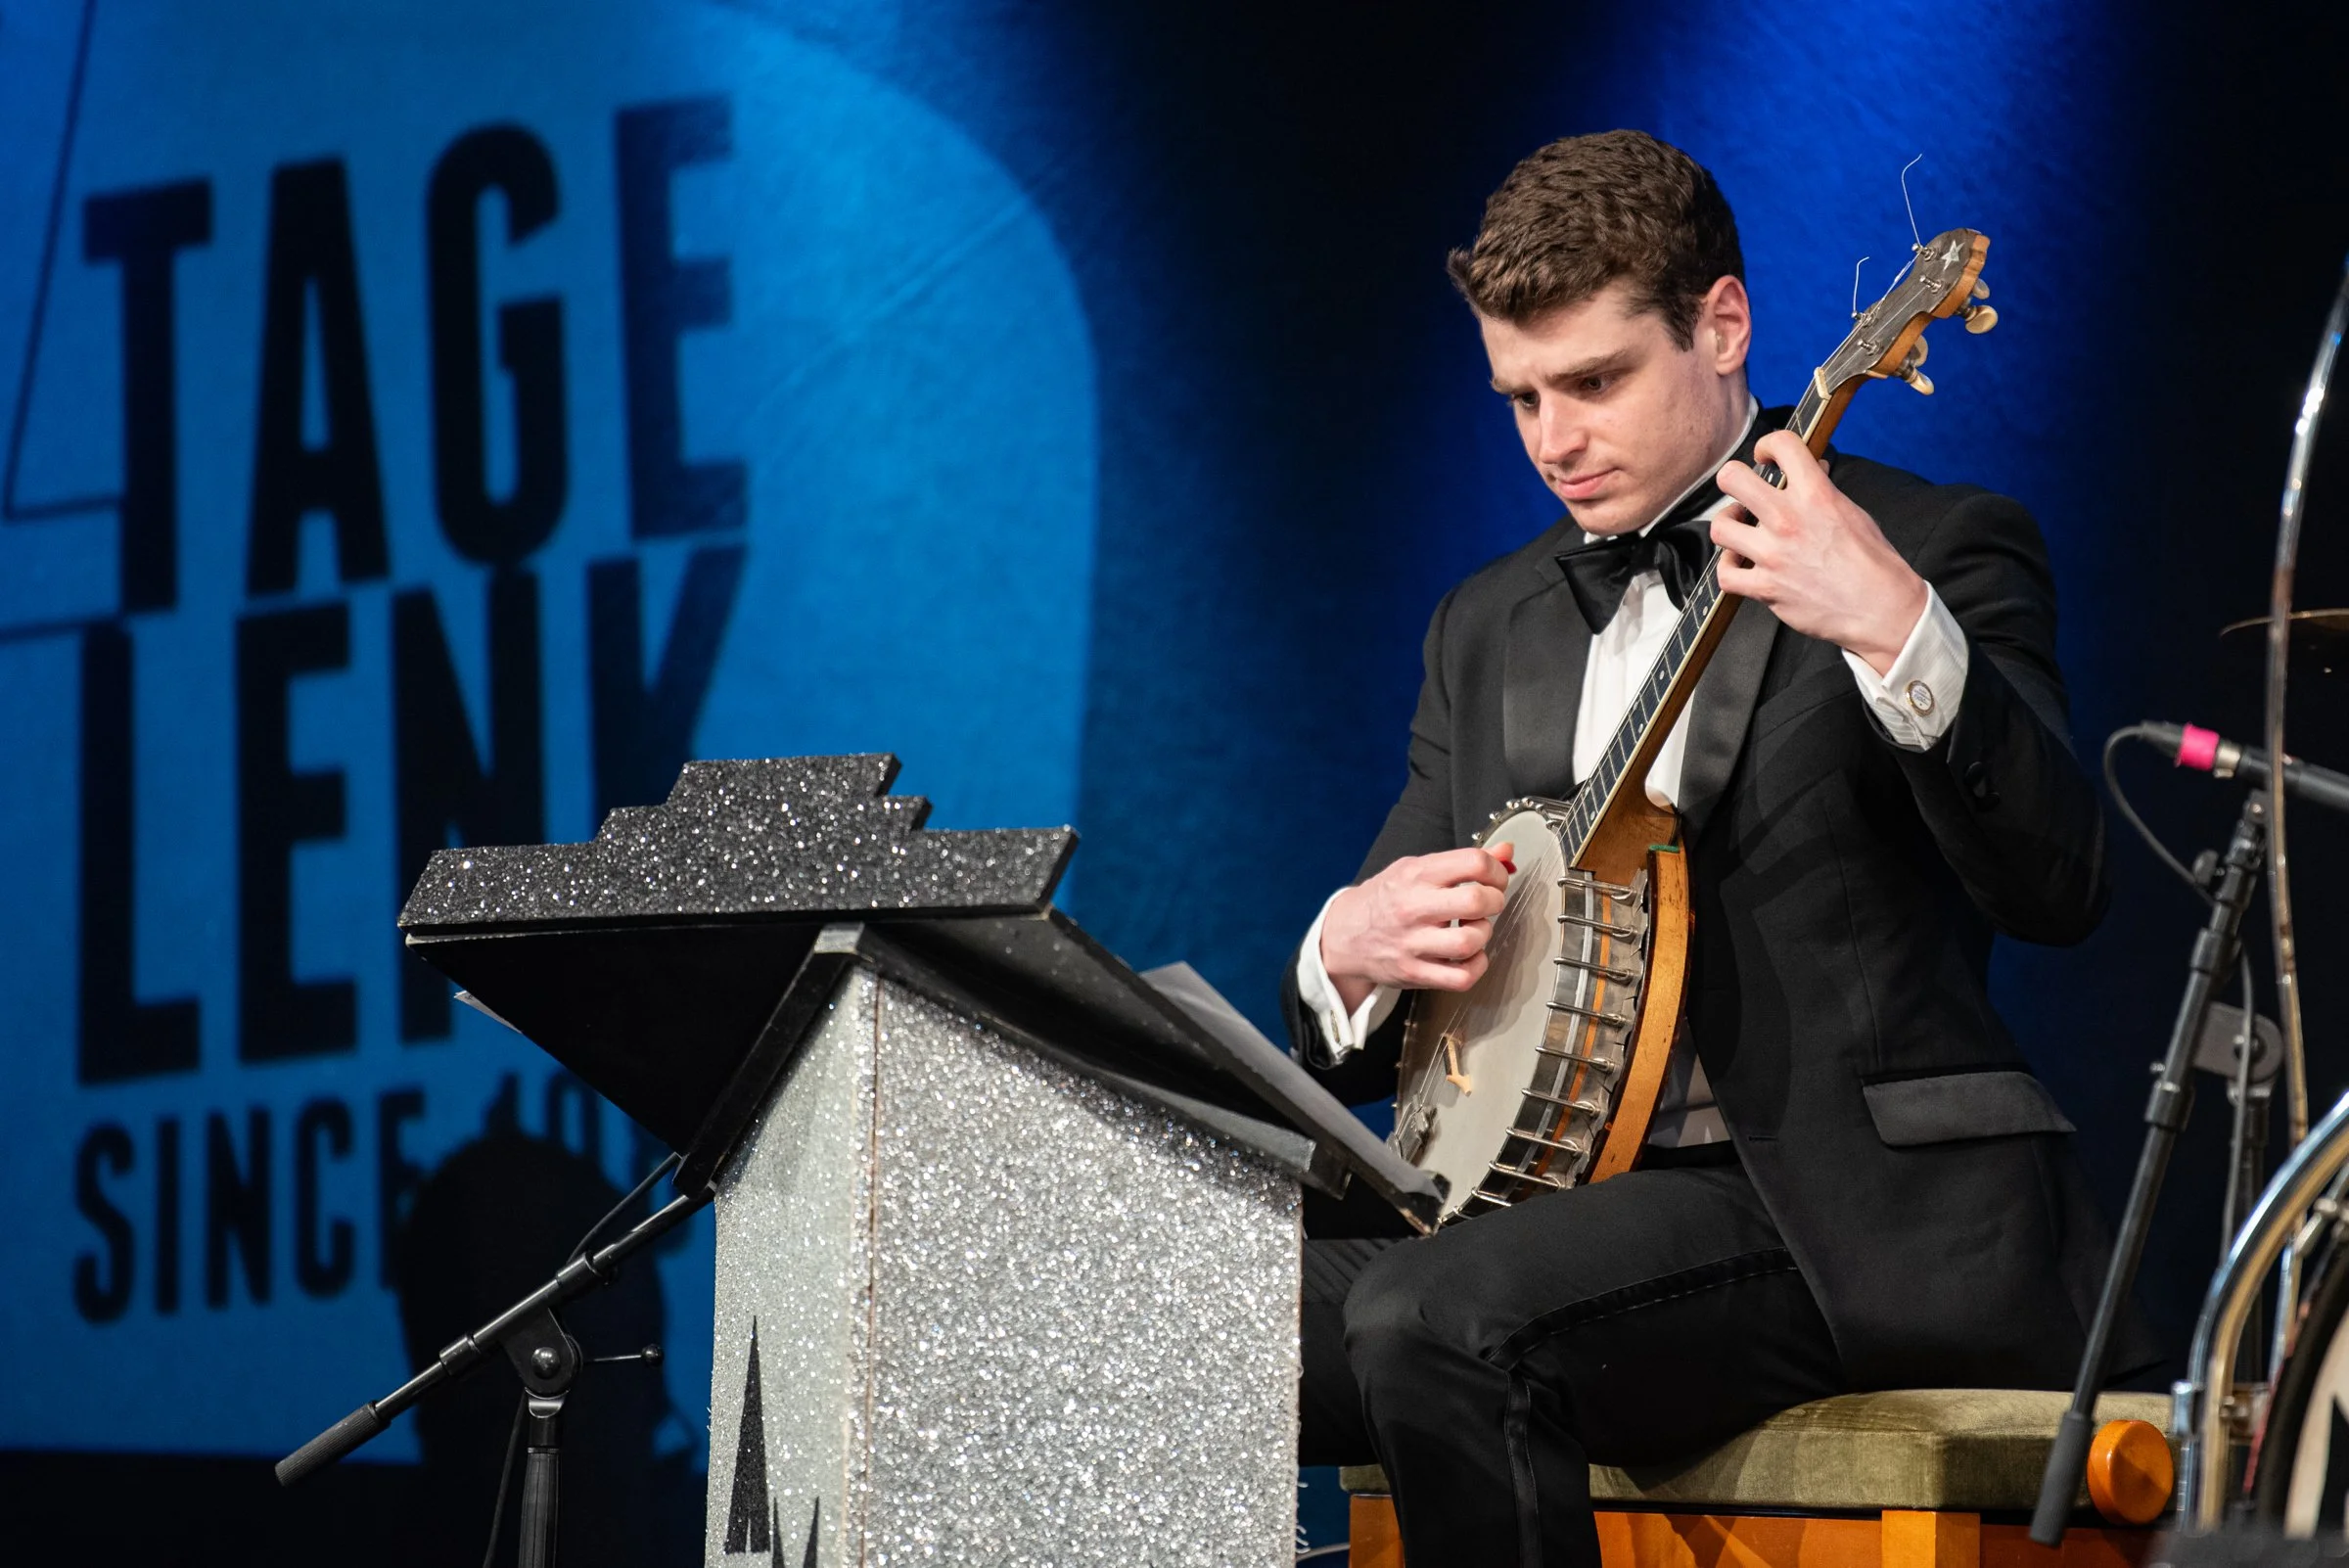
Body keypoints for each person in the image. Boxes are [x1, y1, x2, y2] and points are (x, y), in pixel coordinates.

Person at [1283, 130, 2152, 1566]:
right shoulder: (1485, 621)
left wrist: (1889, 626)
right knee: (1160, 1314)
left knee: (1434, 1316)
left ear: (1724, 326)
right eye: (1521, 399)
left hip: (1825, 1215)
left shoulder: (1932, 541)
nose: (1555, 439)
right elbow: (1366, 1023)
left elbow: (2064, 882)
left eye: (1596, 382)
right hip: (1539, 1205)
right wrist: (1346, 949)